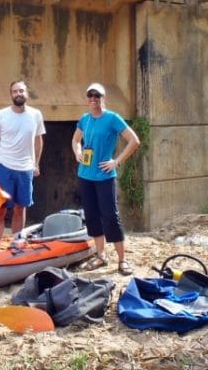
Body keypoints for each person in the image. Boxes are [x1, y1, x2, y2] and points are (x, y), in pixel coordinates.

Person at [71, 83, 140, 276]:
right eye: (90, 95)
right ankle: (101, 256)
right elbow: (76, 139)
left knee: (110, 216)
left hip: (105, 177)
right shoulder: (85, 119)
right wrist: (77, 152)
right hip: (85, 175)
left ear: (103, 97)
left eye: (97, 95)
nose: (93, 99)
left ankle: (122, 260)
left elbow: (134, 140)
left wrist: (116, 161)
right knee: (92, 216)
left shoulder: (112, 118)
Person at [0, 80, 45, 245]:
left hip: (25, 170)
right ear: (11, 94)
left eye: (21, 91)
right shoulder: (1, 115)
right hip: (5, 168)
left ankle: (16, 245)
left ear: (27, 93)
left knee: (20, 208)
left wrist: (36, 164)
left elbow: (38, 141)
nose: (18, 94)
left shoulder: (36, 115)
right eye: (15, 91)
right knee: (0, 210)